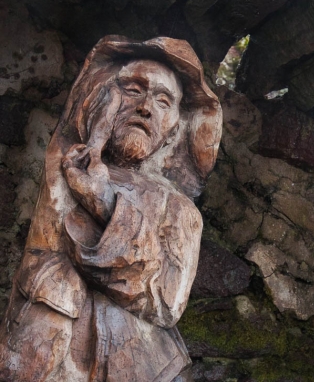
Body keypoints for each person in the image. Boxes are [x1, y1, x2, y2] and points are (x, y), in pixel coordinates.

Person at [0, 36, 222, 382]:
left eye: (163, 101)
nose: (146, 107)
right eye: (133, 90)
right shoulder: (68, 166)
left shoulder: (179, 209)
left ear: (175, 126)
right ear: (104, 96)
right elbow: (43, 259)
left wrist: (104, 203)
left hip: (145, 364)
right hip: (53, 343)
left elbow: (167, 304)